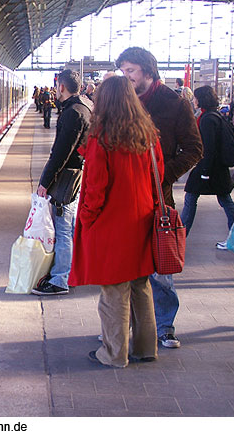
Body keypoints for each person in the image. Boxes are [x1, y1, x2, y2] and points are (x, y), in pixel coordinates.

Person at [69, 75, 161, 367]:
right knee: (140, 286)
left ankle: (113, 354)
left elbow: (96, 187)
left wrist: (86, 218)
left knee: (114, 289)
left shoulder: (102, 139)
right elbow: (157, 176)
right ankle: (146, 348)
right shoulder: (147, 134)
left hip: (112, 223)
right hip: (143, 219)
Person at [116, 47, 203, 349]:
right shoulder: (122, 102)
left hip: (157, 198)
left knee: (159, 268)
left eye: (130, 71)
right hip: (125, 198)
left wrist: (162, 176)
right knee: (126, 267)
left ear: (146, 71)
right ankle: (122, 326)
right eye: (123, 71)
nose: (126, 77)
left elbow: (194, 149)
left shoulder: (175, 104)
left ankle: (165, 326)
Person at [32, 69, 93, 295]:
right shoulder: (85, 107)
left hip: (68, 175)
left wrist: (45, 182)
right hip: (78, 173)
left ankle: (60, 279)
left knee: (64, 228)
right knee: (70, 226)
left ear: (61, 87)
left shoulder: (73, 113)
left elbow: (61, 153)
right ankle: (69, 272)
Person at [179, 85, 234, 249]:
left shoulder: (207, 119)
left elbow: (209, 147)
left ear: (201, 99)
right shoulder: (215, 116)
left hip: (208, 169)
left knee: (190, 199)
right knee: (225, 199)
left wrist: (204, 171)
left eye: (196, 97)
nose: (194, 100)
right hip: (218, 169)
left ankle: (180, 239)